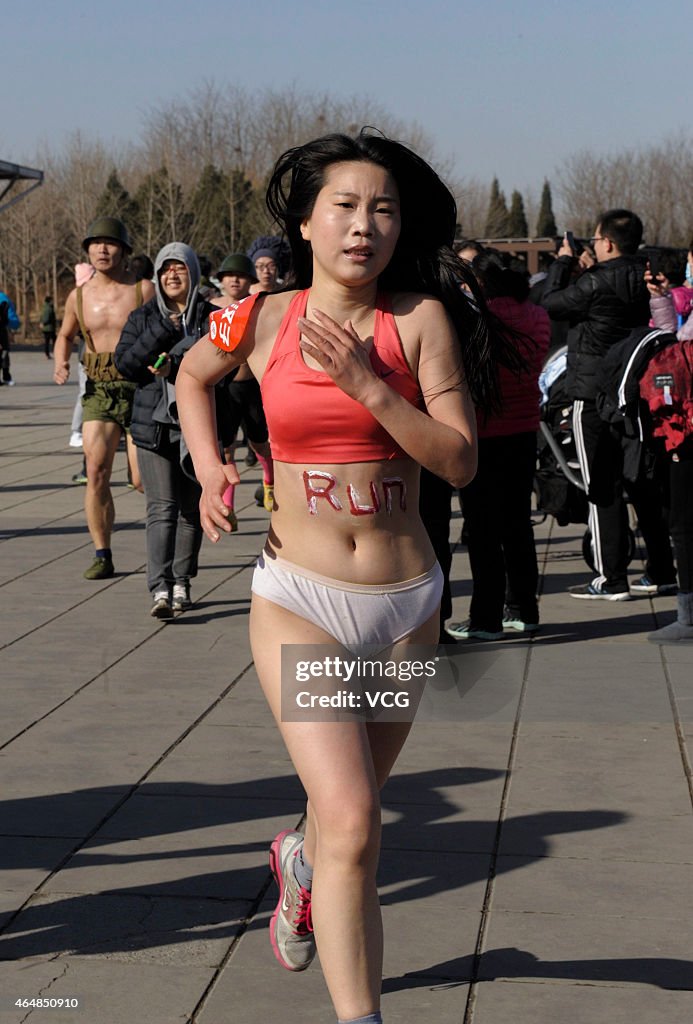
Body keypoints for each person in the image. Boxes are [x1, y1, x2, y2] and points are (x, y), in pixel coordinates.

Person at [176, 129, 515, 1024]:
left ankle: (296, 859)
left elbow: (459, 463)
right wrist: (211, 466)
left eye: (383, 211)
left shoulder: (419, 322)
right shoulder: (263, 316)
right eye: (346, 207)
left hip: (405, 605)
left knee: (342, 821)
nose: (364, 227)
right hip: (302, 597)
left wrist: (370, 386)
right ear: (306, 221)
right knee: (357, 824)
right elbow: (190, 374)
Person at [540, 209, 669, 600]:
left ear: (607, 243)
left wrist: (563, 261)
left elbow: (549, 304)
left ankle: (610, 577)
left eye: (596, 241)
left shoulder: (595, 282)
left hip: (592, 393)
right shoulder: (648, 276)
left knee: (601, 487)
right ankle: (662, 569)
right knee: (643, 483)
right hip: (635, 390)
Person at [447, 251, 551, 639]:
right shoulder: (538, 316)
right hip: (524, 429)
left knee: (483, 529)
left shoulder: (480, 319)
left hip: (483, 432)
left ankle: (486, 617)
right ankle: (524, 608)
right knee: (518, 524)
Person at [115, 243, 215, 618]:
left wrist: (177, 367)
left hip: (198, 427)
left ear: (193, 274)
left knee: (191, 510)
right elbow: (125, 365)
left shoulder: (212, 317)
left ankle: (182, 580)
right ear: (157, 276)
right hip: (153, 427)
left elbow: (224, 368)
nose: (172, 275)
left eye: (180, 269)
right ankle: (159, 588)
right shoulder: (143, 317)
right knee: (161, 508)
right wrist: (161, 331)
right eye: (165, 269)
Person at [53, 217, 154, 579]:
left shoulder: (143, 290)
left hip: (140, 388)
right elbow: (65, 334)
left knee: (144, 480)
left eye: (110, 243)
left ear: (124, 250)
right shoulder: (78, 296)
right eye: (95, 243)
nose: (101, 249)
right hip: (99, 390)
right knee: (96, 473)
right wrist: (61, 360)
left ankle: (168, 542)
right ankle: (102, 553)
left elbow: (163, 331)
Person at [644, 270, 693, 642]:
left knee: (684, 525)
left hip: (688, 435)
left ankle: (689, 617)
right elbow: (672, 350)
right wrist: (662, 298)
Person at [213, 253, 274, 526]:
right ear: (221, 280)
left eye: (241, 276)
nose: (235, 280)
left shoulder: (261, 306)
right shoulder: (211, 308)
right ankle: (228, 507)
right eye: (229, 276)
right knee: (227, 450)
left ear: (250, 280)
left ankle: (270, 479)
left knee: (259, 441)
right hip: (225, 389)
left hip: (252, 387)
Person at [0, 287, 21, 386]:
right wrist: (14, 323)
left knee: (4, 353)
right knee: (4, 353)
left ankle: (6, 376)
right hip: (2, 330)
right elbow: (11, 317)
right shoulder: (4, 298)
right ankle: (6, 377)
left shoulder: (3, 299)